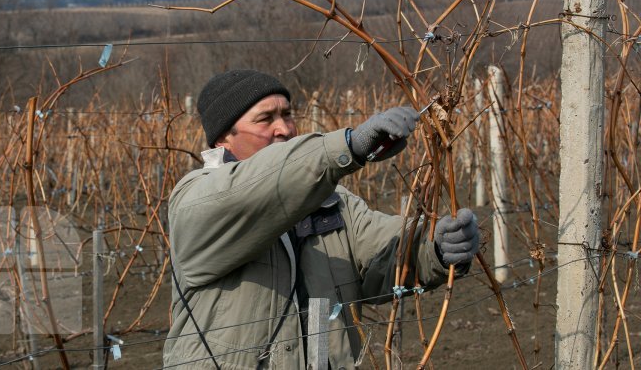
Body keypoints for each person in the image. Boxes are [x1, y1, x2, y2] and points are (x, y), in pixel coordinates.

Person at [163, 69, 480, 369]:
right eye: (265, 119)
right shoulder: (196, 199)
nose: (284, 129)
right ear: (223, 139)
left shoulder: (331, 203)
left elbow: (384, 254)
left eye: (287, 114)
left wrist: (436, 244)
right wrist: (346, 147)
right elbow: (253, 189)